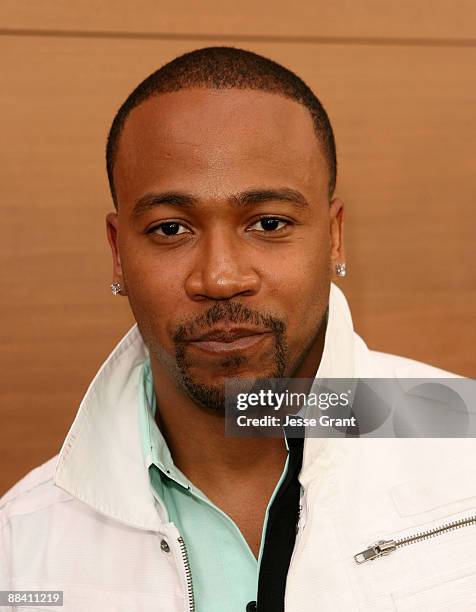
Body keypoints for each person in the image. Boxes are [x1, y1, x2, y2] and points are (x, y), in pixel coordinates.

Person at [1, 47, 475, 612]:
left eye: (269, 223)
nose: (220, 277)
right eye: (171, 228)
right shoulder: (20, 546)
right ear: (118, 254)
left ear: (335, 237)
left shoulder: (463, 442)